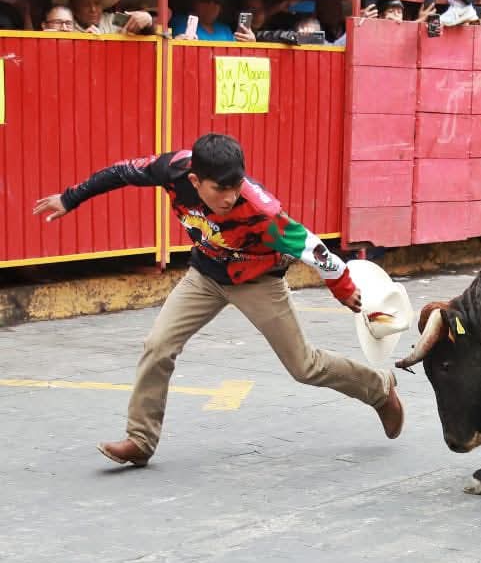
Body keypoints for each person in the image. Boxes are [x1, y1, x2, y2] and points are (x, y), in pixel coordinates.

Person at [31, 134, 405, 466]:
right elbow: (120, 172)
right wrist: (70, 198)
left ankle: (378, 388)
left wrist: (343, 289)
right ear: (195, 181)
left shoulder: (261, 210)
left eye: (235, 186)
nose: (229, 197)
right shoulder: (173, 169)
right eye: (219, 189)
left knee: (304, 367)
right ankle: (140, 441)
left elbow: (313, 247)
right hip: (206, 274)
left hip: (258, 280)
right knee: (157, 346)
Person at [51, 0, 153, 35]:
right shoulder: (66, 24)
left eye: (97, 3)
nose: (93, 9)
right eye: (86, 4)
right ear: (74, 8)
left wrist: (146, 19)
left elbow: (144, 29)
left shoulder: (112, 19)